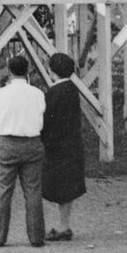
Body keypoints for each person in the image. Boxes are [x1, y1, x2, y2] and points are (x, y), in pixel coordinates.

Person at [0, 53, 46, 248]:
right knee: (33, 191)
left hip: (6, 143)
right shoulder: (38, 94)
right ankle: (36, 237)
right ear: (27, 71)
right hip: (32, 143)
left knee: (3, 191)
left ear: (9, 72)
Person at [42, 52, 86, 242]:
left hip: (58, 145)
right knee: (66, 187)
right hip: (72, 143)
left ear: (52, 71)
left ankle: (63, 227)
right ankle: (64, 224)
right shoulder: (71, 88)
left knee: (59, 186)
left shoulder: (54, 92)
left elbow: (48, 120)